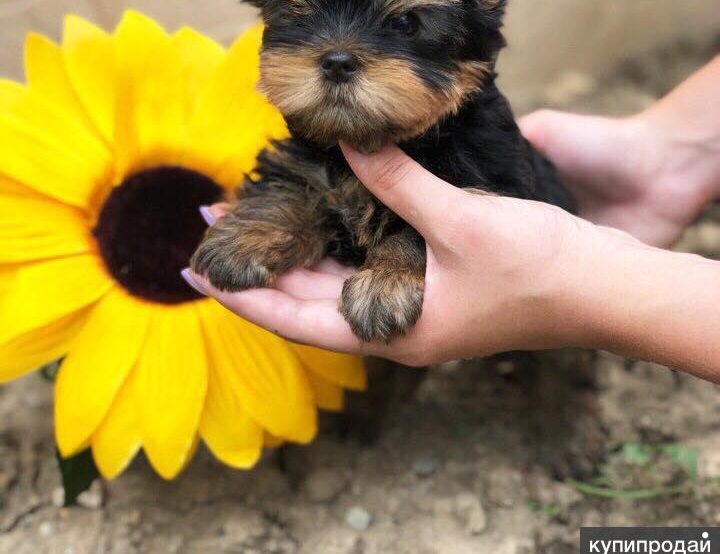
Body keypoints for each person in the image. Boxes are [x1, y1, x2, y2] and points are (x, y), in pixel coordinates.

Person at [184, 56, 720, 382]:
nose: (338, 53)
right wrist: (282, 224)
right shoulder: (320, 136)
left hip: (562, 289)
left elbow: (473, 221)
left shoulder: (479, 149)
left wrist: (582, 286)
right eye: (301, 14)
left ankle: (564, 411)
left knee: (558, 363)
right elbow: (302, 184)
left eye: (405, 24)